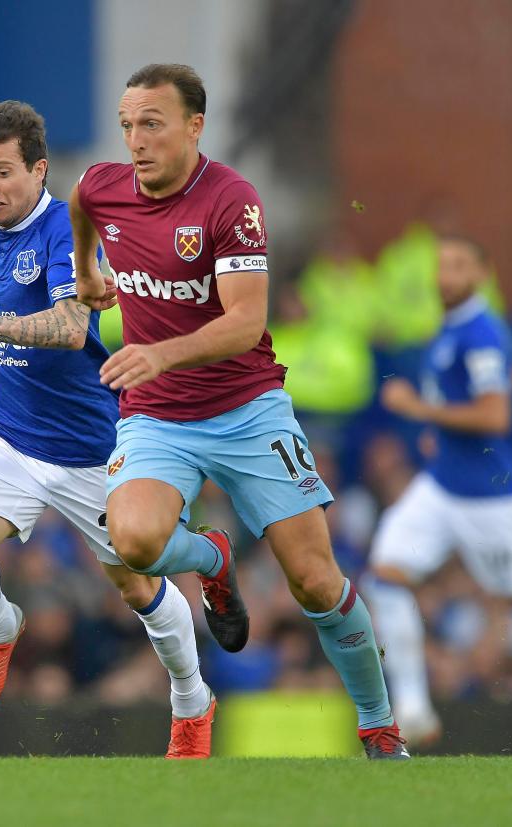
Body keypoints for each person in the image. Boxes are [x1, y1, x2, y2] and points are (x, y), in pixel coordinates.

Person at [68, 63, 407, 759]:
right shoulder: (103, 186)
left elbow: (247, 322)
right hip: (158, 415)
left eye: (153, 124)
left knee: (315, 578)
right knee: (130, 542)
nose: (136, 140)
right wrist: (85, 270)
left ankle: (378, 724)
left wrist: (160, 353)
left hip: (247, 408)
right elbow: (80, 201)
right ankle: (213, 559)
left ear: (195, 126)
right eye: (129, 125)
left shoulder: (231, 201)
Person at [0, 100, 214, 758]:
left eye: (3, 172)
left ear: (39, 170)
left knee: (137, 585)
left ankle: (191, 699)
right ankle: (2, 624)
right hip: (9, 434)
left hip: (88, 447)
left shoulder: (66, 231)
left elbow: (71, 330)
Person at [366, 235, 512, 745]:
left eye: (458, 266)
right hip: (441, 487)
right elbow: (509, 382)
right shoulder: (457, 324)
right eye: (441, 265)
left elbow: (496, 414)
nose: (445, 275)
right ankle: (413, 710)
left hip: (488, 497)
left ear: (481, 274)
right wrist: (445, 425)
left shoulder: (480, 330)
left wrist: (422, 412)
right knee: (386, 574)